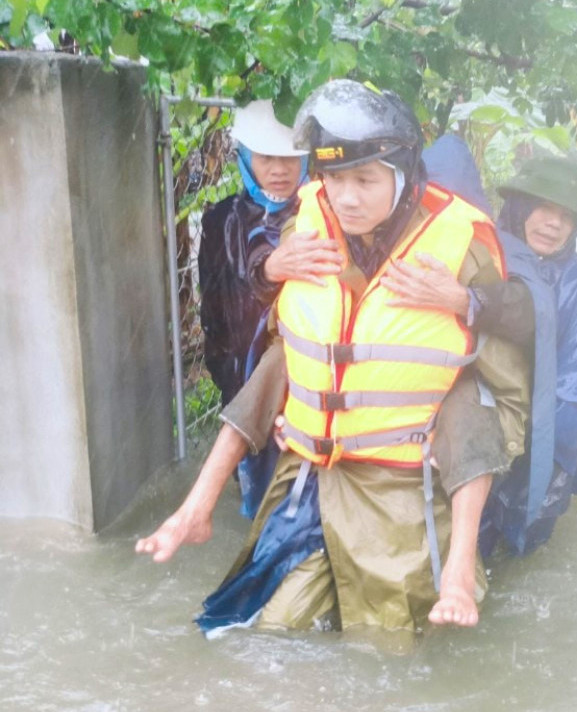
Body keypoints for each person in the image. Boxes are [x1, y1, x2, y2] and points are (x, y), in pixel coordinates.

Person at [137, 80, 529, 634]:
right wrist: (271, 269)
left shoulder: (459, 241)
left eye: (365, 180)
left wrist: (466, 301)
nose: (346, 197)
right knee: (258, 634)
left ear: (402, 173)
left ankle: (458, 573)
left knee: (388, 647)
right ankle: (197, 511)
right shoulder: (308, 222)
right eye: (334, 178)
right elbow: (290, 343)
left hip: (398, 484)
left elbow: (507, 365)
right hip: (307, 477)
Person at [401, 140, 577, 556]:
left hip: (535, 441)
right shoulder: (473, 251)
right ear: (518, 206)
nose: (554, 224)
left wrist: (541, 475)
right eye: (545, 208)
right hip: (458, 430)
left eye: (566, 216)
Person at [198, 100, 339, 519]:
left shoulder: (324, 213)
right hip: (245, 372)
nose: (279, 169)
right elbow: (219, 305)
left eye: (290, 158)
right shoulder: (222, 219)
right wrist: (268, 272)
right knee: (260, 488)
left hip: (311, 373)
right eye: (266, 158)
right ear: (243, 158)